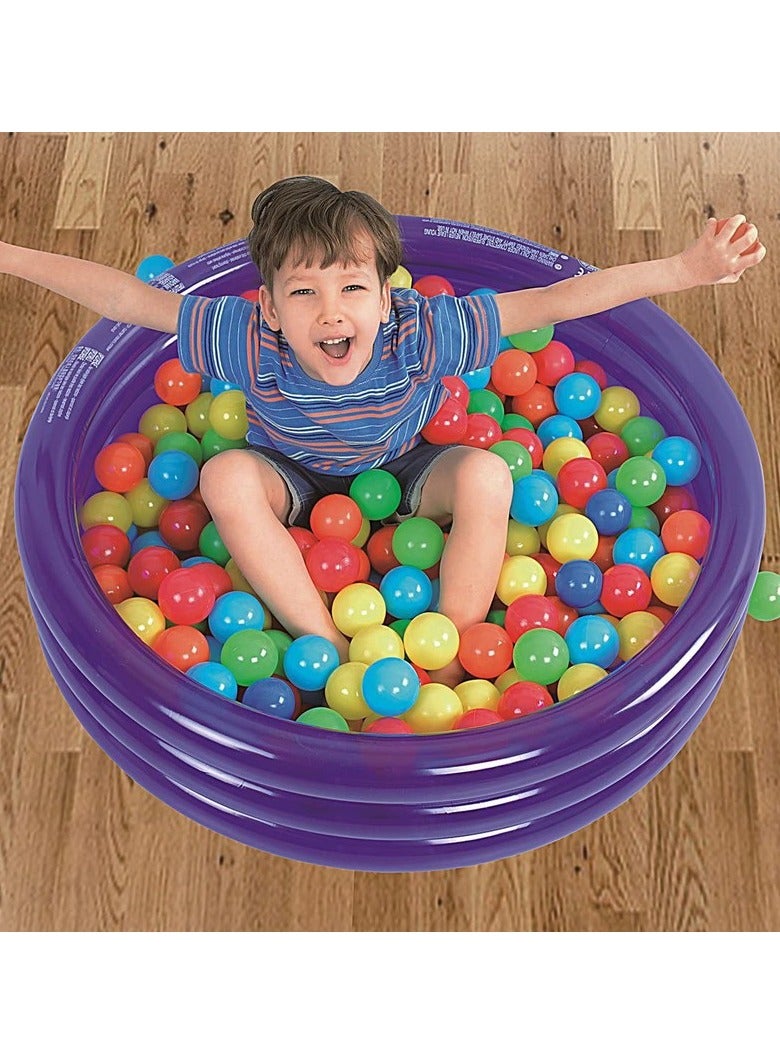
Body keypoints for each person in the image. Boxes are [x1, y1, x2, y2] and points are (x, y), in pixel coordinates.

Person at [0, 175, 767, 688]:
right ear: (267, 306)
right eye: (303, 292)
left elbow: (558, 301)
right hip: (290, 476)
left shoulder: (423, 330)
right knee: (221, 476)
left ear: (386, 297)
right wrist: (10, 255)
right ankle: (323, 642)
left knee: (490, 475)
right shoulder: (241, 336)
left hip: (405, 469)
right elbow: (130, 300)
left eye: (352, 288)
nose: (331, 311)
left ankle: (457, 651)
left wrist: (684, 269)